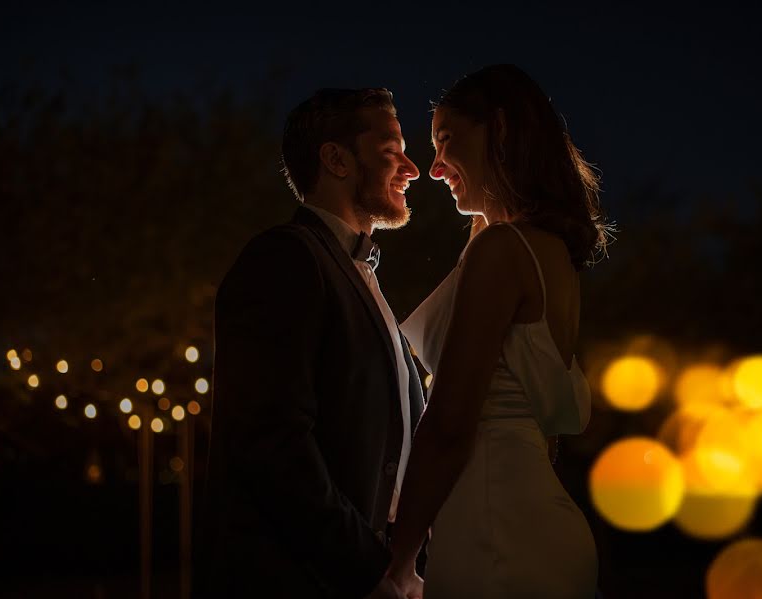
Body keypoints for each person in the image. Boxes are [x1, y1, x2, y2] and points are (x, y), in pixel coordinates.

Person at [384, 64, 609, 598]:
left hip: (497, 534)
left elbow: (451, 423)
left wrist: (400, 557)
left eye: (445, 141)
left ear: (500, 130)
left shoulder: (503, 251)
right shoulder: (547, 252)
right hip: (532, 524)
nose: (434, 168)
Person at [193, 88, 425, 598]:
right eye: (391, 151)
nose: (412, 167)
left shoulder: (358, 272)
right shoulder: (284, 260)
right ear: (336, 158)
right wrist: (368, 571)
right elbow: (272, 442)